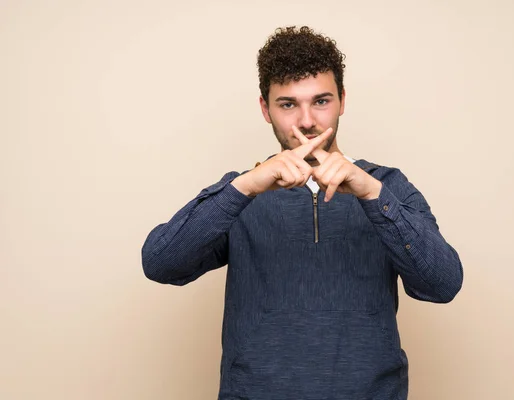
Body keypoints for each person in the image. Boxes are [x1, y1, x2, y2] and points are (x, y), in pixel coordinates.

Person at [142, 26, 463, 400]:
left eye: (321, 101)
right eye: (288, 104)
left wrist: (371, 193)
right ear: (265, 109)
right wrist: (246, 185)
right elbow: (160, 262)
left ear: (343, 100)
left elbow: (443, 284)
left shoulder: (388, 186)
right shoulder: (242, 192)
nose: (307, 121)